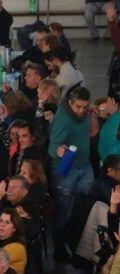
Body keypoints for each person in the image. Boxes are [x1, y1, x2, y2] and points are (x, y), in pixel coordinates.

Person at [49, 87, 94, 260]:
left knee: (82, 207)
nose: (82, 111)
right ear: (70, 103)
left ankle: (76, 242)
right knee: (63, 211)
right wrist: (59, 150)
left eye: (85, 107)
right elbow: (52, 146)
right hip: (66, 172)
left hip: (85, 166)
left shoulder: (85, 113)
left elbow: (90, 131)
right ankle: (59, 250)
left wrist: (93, 115)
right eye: (78, 107)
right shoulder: (62, 119)